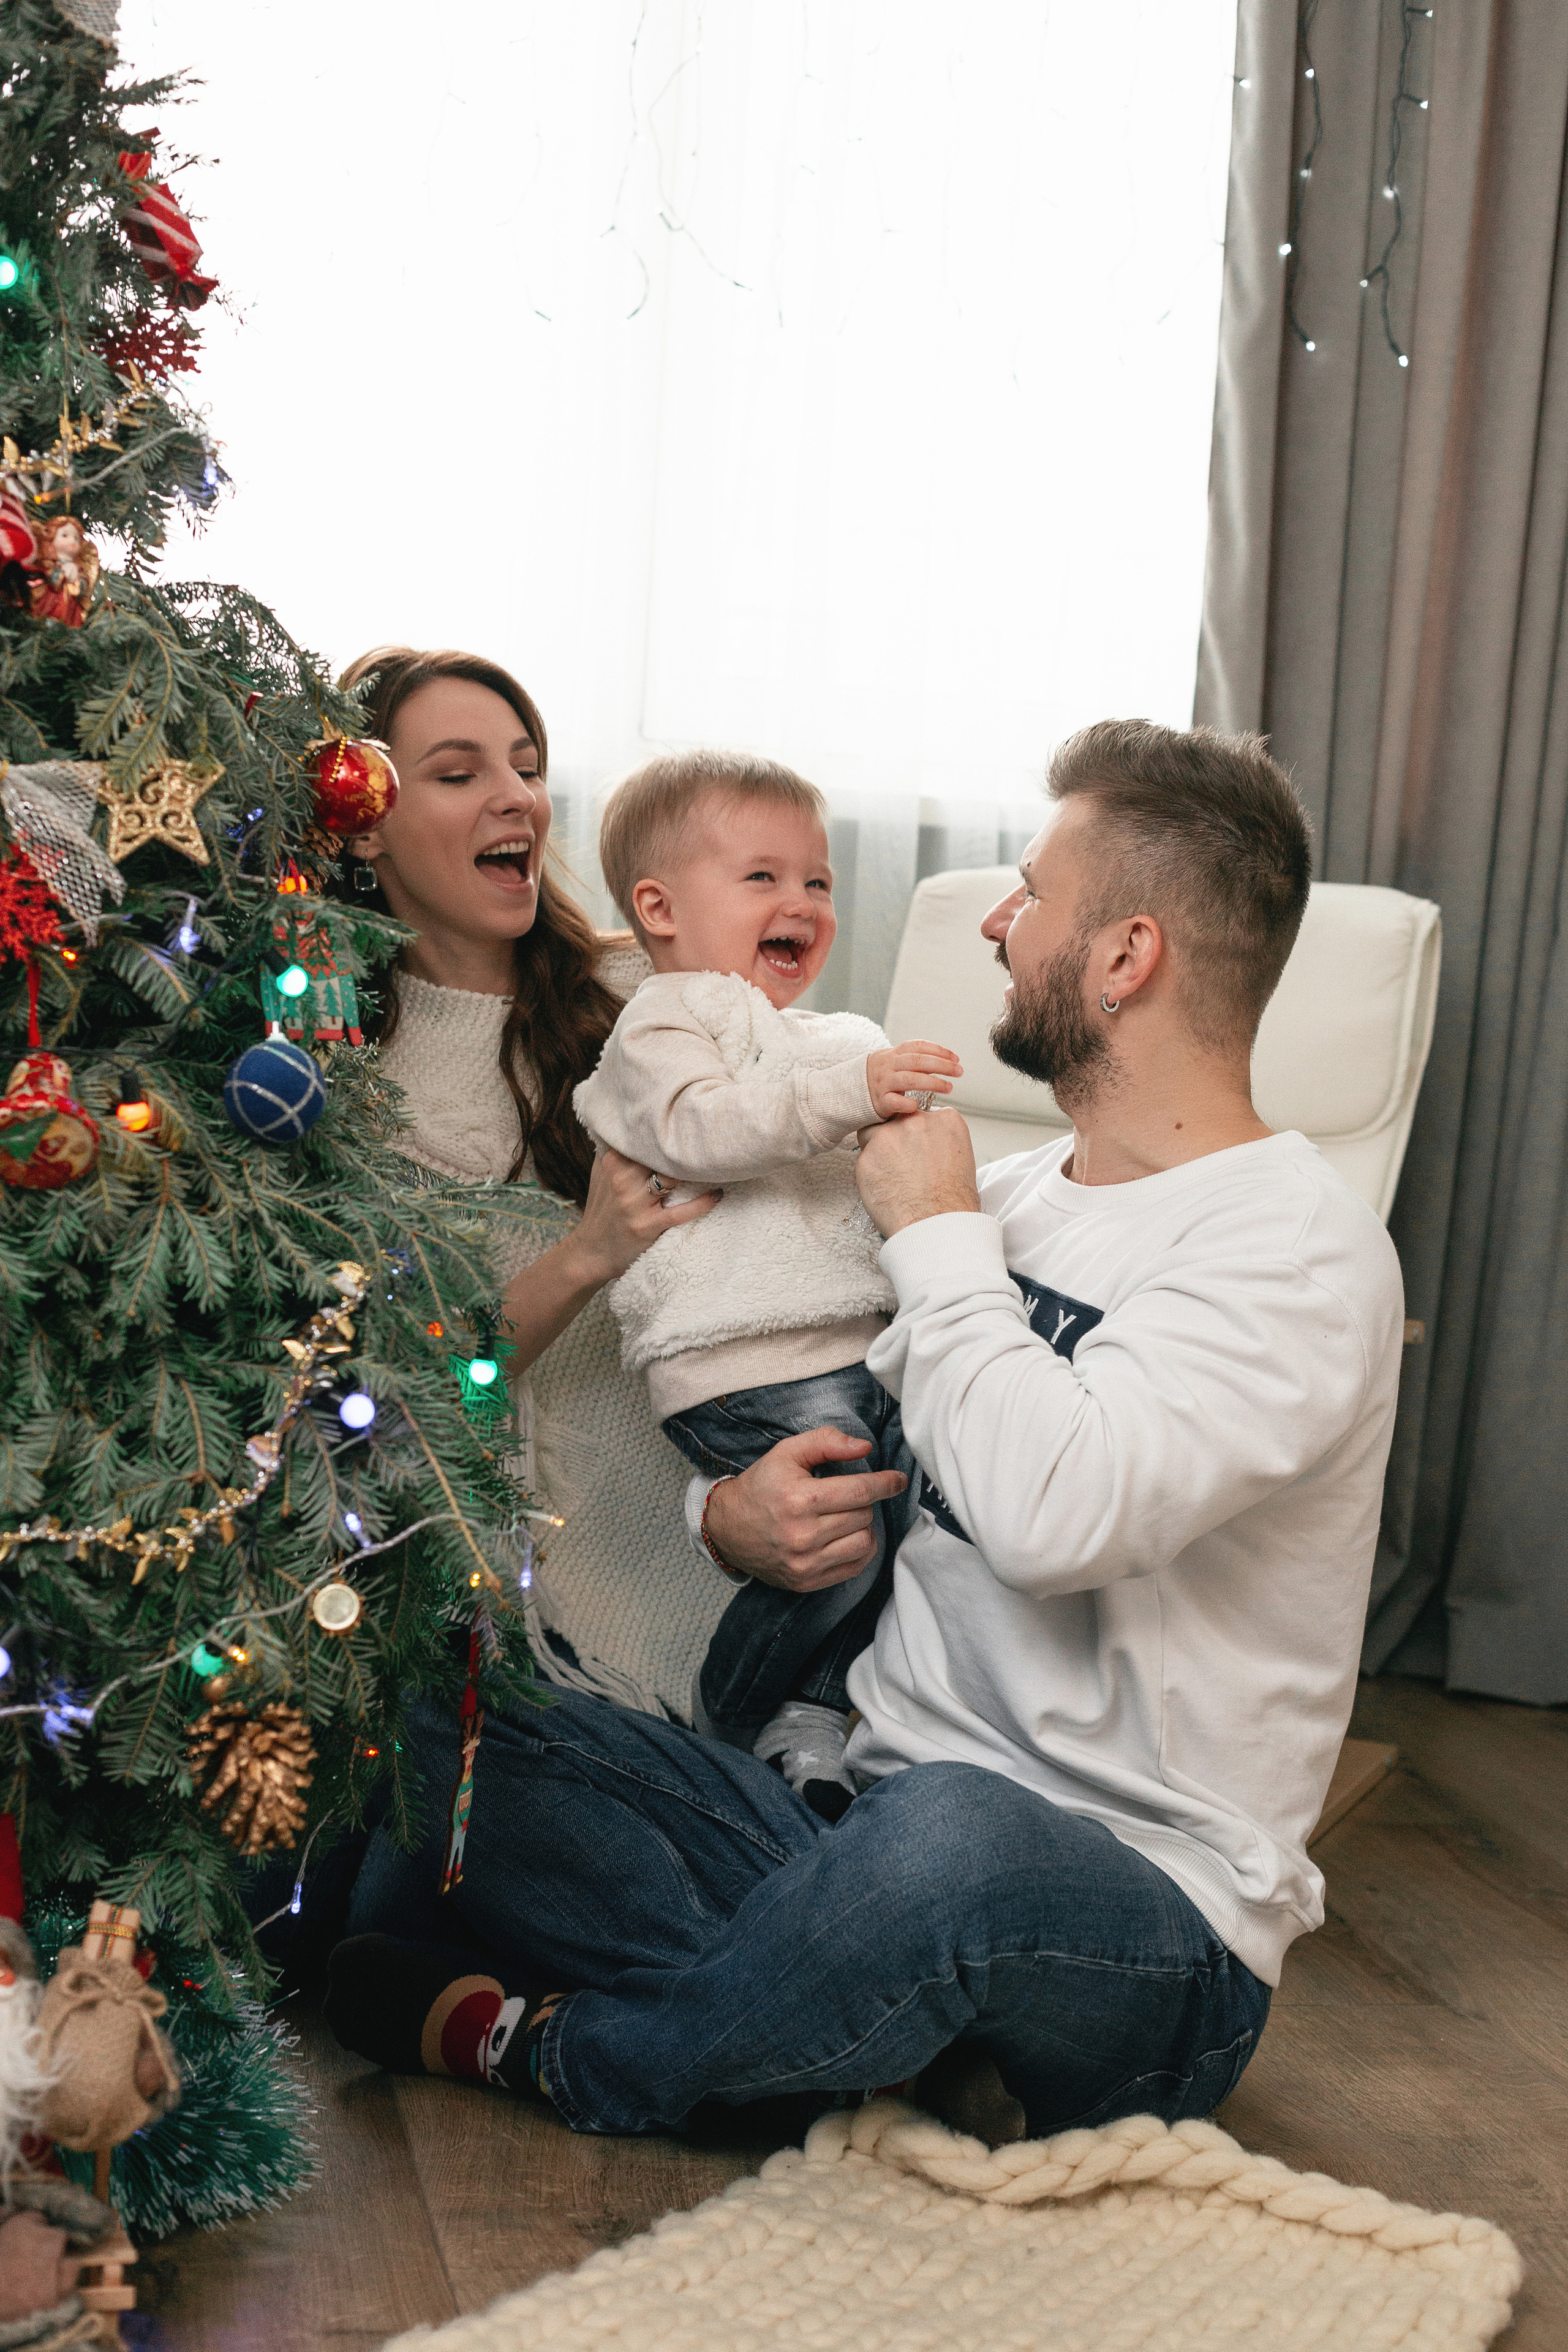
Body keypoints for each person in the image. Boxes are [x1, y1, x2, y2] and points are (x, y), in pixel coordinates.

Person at [328, 718, 1404, 2152]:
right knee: (450, 1731)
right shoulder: (1000, 1199)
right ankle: (857, 2033)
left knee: (949, 1844)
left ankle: (586, 2050)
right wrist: (723, 1518)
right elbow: (842, 1423)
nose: (1000, 926)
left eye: (1031, 895)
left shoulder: (1290, 1247)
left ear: (1124, 957)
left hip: (1129, 1911)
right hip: (840, 1826)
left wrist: (937, 1231)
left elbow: (1052, 1519)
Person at [330, 646, 732, 1722]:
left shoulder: (650, 988)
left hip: (767, 1524)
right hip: (558, 1631)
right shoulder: (345, 1092)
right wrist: (586, 1255)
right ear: (363, 823)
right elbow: (408, 1406)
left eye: (526, 765)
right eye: (460, 774)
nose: (517, 798)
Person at [573, 748, 961, 1816]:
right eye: (763, 877)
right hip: (740, 1356)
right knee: (841, 1546)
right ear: (659, 908)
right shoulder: (662, 1026)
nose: (801, 902)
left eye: (818, 881)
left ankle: (814, 1710)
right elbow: (704, 1130)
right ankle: (732, 1717)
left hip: (858, 1345)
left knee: (913, 1515)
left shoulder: (830, 1039)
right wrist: (849, 1092)